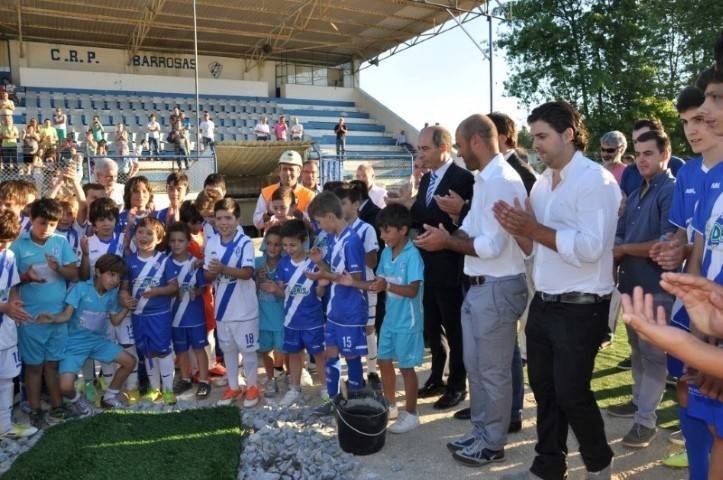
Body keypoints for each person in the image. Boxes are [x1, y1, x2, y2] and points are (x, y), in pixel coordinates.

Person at [494, 101, 619, 480]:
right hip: (545, 303)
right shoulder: (543, 184)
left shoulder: (596, 181)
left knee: (572, 393)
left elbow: (590, 248)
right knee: (545, 391)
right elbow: (535, 250)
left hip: (583, 307)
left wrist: (533, 230)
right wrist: (518, 228)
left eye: (543, 136)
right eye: (535, 137)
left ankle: (600, 466)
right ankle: (548, 465)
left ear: (569, 135)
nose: (537, 145)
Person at [416, 114, 528, 466]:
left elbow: (492, 246)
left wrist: (447, 242)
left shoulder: (501, 181)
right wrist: (447, 234)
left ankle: (492, 442)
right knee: (477, 367)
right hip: (480, 286)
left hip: (496, 285)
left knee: (492, 373)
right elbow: (472, 230)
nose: (460, 153)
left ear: (476, 141)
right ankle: (481, 432)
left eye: (461, 146)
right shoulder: (486, 180)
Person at [649, 84, 723, 473]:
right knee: (688, 387)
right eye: (686, 122)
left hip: (713, 313)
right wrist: (671, 248)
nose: (694, 128)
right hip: (694, 307)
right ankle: (698, 462)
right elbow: (686, 236)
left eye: (701, 118)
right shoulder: (690, 172)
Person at [606, 129, 676, 448]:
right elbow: (619, 238)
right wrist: (615, 261)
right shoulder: (636, 192)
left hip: (657, 287)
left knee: (653, 355)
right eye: (639, 152)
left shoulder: (670, 190)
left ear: (665, 154)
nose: (642, 159)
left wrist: (621, 252)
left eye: (649, 153)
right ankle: (638, 405)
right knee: (636, 350)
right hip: (632, 285)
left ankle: (646, 421)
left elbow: (664, 244)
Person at [411, 125, 474, 410]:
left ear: (443, 148)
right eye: (419, 148)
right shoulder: (427, 180)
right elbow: (421, 215)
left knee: (455, 328)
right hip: (426, 267)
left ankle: (458, 384)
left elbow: (456, 222)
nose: (420, 153)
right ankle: (437, 376)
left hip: (450, 267)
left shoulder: (462, 178)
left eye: (425, 148)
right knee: (432, 328)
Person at [11, 198, 79, 429]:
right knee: (34, 367)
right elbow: (9, 282)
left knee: (52, 365)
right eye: (42, 223)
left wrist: (58, 268)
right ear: (31, 220)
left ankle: (58, 406)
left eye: (52, 224)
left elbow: (75, 273)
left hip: (57, 317)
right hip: (30, 319)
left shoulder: (61, 242)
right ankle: (35, 409)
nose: (47, 229)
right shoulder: (18, 246)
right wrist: (26, 277)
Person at [45, 254, 137, 413]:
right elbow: (66, 316)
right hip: (74, 344)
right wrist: (51, 318)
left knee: (130, 361)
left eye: (118, 277)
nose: (115, 280)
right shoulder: (80, 289)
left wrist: (128, 308)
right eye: (111, 274)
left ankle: (110, 397)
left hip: (98, 342)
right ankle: (78, 401)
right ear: (98, 272)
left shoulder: (112, 295)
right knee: (65, 386)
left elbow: (115, 321)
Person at [306, 191, 368, 416]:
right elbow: (335, 272)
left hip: (351, 311)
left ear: (331, 217)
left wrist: (323, 276)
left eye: (320, 222)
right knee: (330, 352)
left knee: (351, 357)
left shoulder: (351, 241)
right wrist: (319, 262)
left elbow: (356, 280)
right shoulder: (333, 239)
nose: (319, 227)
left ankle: (356, 403)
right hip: (334, 309)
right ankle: (333, 400)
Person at [374, 203, 425, 433]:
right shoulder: (386, 252)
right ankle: (391, 404)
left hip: (408, 323)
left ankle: (411, 413)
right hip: (389, 320)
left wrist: (387, 285)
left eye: (387, 231)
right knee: (383, 361)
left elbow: (413, 290)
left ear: (403, 230)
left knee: (406, 368)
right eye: (381, 231)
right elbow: (380, 280)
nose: (383, 236)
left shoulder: (413, 255)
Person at [204, 198, 260, 408]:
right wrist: (208, 272)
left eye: (228, 217)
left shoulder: (244, 242)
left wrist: (222, 269)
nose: (223, 222)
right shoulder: (211, 243)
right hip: (223, 309)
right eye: (219, 218)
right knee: (228, 349)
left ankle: (253, 386)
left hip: (245, 309)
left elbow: (247, 273)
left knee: (248, 350)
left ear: (237, 219)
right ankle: (234, 386)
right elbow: (208, 275)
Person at [266, 220, 328, 407]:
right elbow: (283, 292)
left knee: (319, 355)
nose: (288, 248)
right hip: (291, 320)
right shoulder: (284, 263)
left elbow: (320, 292)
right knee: (293, 354)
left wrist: (322, 287)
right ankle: (294, 388)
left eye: (292, 244)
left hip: (314, 321)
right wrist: (275, 290)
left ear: (304, 241)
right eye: (285, 245)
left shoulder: (314, 263)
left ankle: (326, 388)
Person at [119, 217, 178, 405]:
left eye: (149, 233)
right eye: (140, 232)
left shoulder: (164, 261)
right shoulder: (129, 262)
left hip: (159, 316)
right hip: (138, 316)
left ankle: (168, 389)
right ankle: (154, 389)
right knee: (147, 352)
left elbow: (174, 287)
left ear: (159, 239)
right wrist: (125, 298)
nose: (143, 236)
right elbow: (124, 287)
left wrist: (156, 292)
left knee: (163, 351)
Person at [335, 185, 381, 391]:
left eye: (343, 203)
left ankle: (372, 371)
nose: (340, 207)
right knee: (349, 330)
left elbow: (372, 260)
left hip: (365, 286)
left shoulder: (366, 229)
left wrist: (353, 248)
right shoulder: (335, 231)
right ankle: (356, 375)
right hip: (344, 289)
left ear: (355, 204)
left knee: (368, 328)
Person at [0, 210, 37, 439]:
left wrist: (14, 302)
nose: (3, 245)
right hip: (5, 315)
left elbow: (13, 287)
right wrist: (5, 307)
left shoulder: (9, 256)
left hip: (6, 329)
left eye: (6, 241)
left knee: (6, 378)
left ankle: (4, 426)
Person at [167, 223, 211, 399]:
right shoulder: (165, 262)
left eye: (180, 240)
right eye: (172, 241)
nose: (176, 244)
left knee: (199, 348)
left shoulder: (195, 262)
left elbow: (204, 287)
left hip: (195, 315)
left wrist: (196, 292)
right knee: (181, 350)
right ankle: (185, 378)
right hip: (175, 316)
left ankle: (204, 380)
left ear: (188, 242)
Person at [254, 226, 286, 399]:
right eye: (270, 243)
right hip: (262, 316)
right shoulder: (257, 264)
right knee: (265, 350)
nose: (273, 248)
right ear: (264, 244)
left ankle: (281, 371)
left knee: (281, 349)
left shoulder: (286, 264)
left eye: (277, 244)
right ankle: (270, 378)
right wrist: (257, 280)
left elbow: (286, 294)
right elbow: (250, 289)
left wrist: (275, 289)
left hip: (280, 316)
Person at [619, 118, 685, 196]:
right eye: (635, 141)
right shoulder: (629, 172)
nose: (639, 143)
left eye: (645, 138)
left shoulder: (678, 166)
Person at [252, 151, 315, 231]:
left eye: (291, 169)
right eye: (284, 169)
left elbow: (315, 225)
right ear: (279, 170)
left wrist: (300, 215)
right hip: (274, 240)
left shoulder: (309, 195)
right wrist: (269, 214)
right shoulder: (266, 192)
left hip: (299, 241)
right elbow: (256, 222)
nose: (287, 173)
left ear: (299, 172)